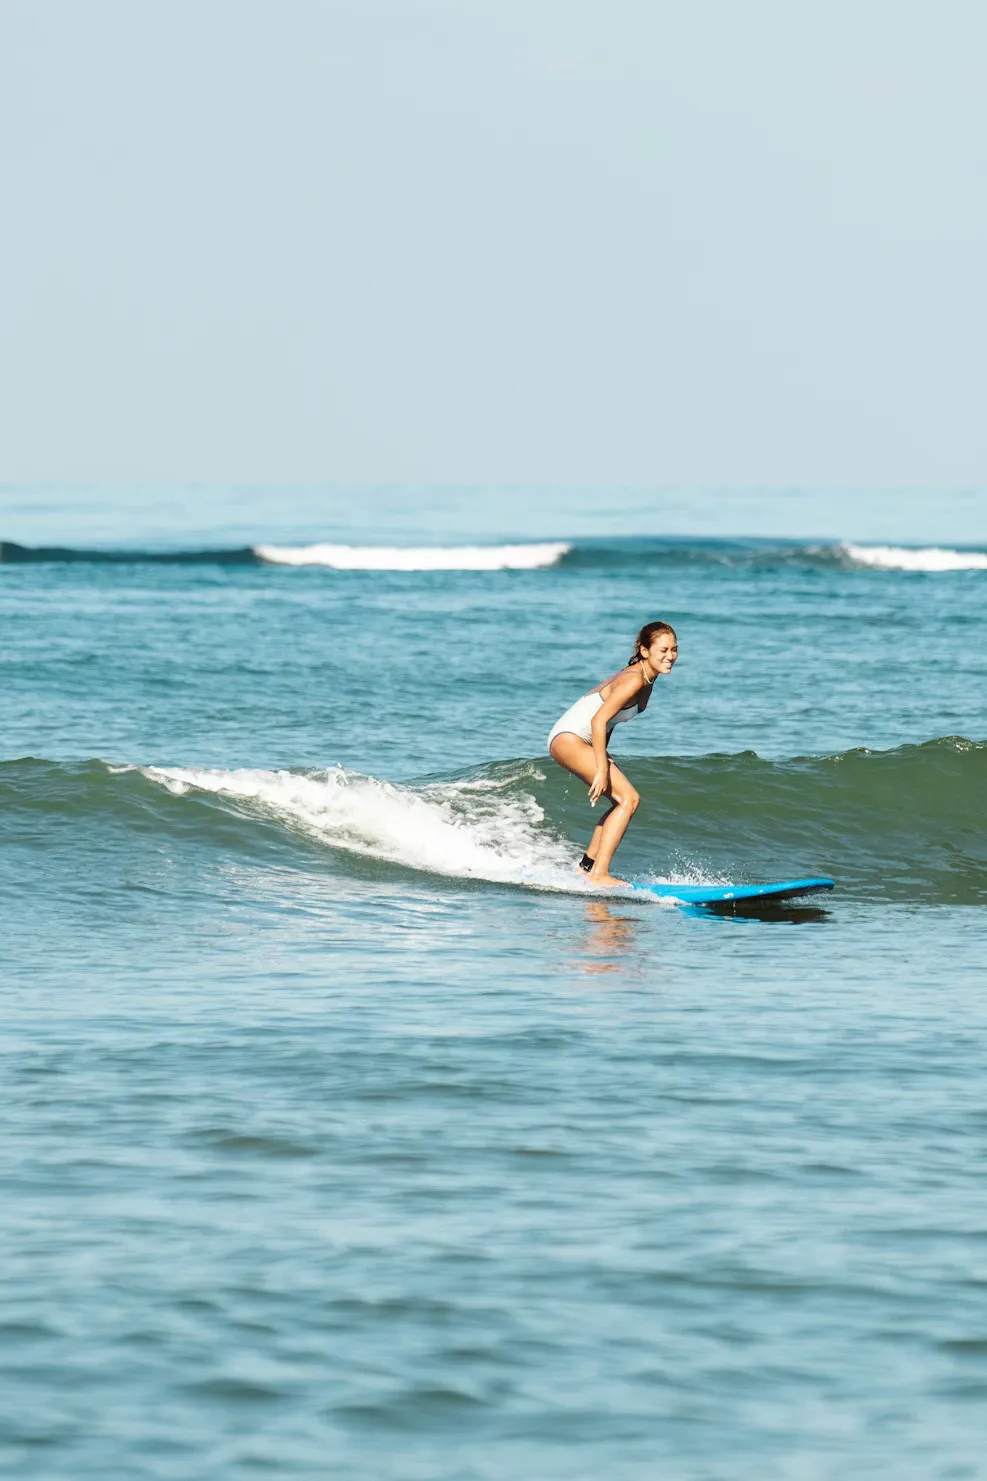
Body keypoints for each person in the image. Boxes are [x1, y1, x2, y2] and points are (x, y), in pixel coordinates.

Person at [547, 621, 678, 887]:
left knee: (621, 801)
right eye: (663, 650)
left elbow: (610, 721)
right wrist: (602, 765)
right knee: (629, 799)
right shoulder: (634, 679)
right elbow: (598, 720)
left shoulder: (648, 679)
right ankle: (600, 874)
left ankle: (586, 869)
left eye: (674, 649)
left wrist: (602, 755)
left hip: (577, 740)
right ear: (644, 651)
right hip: (569, 739)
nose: (670, 656)